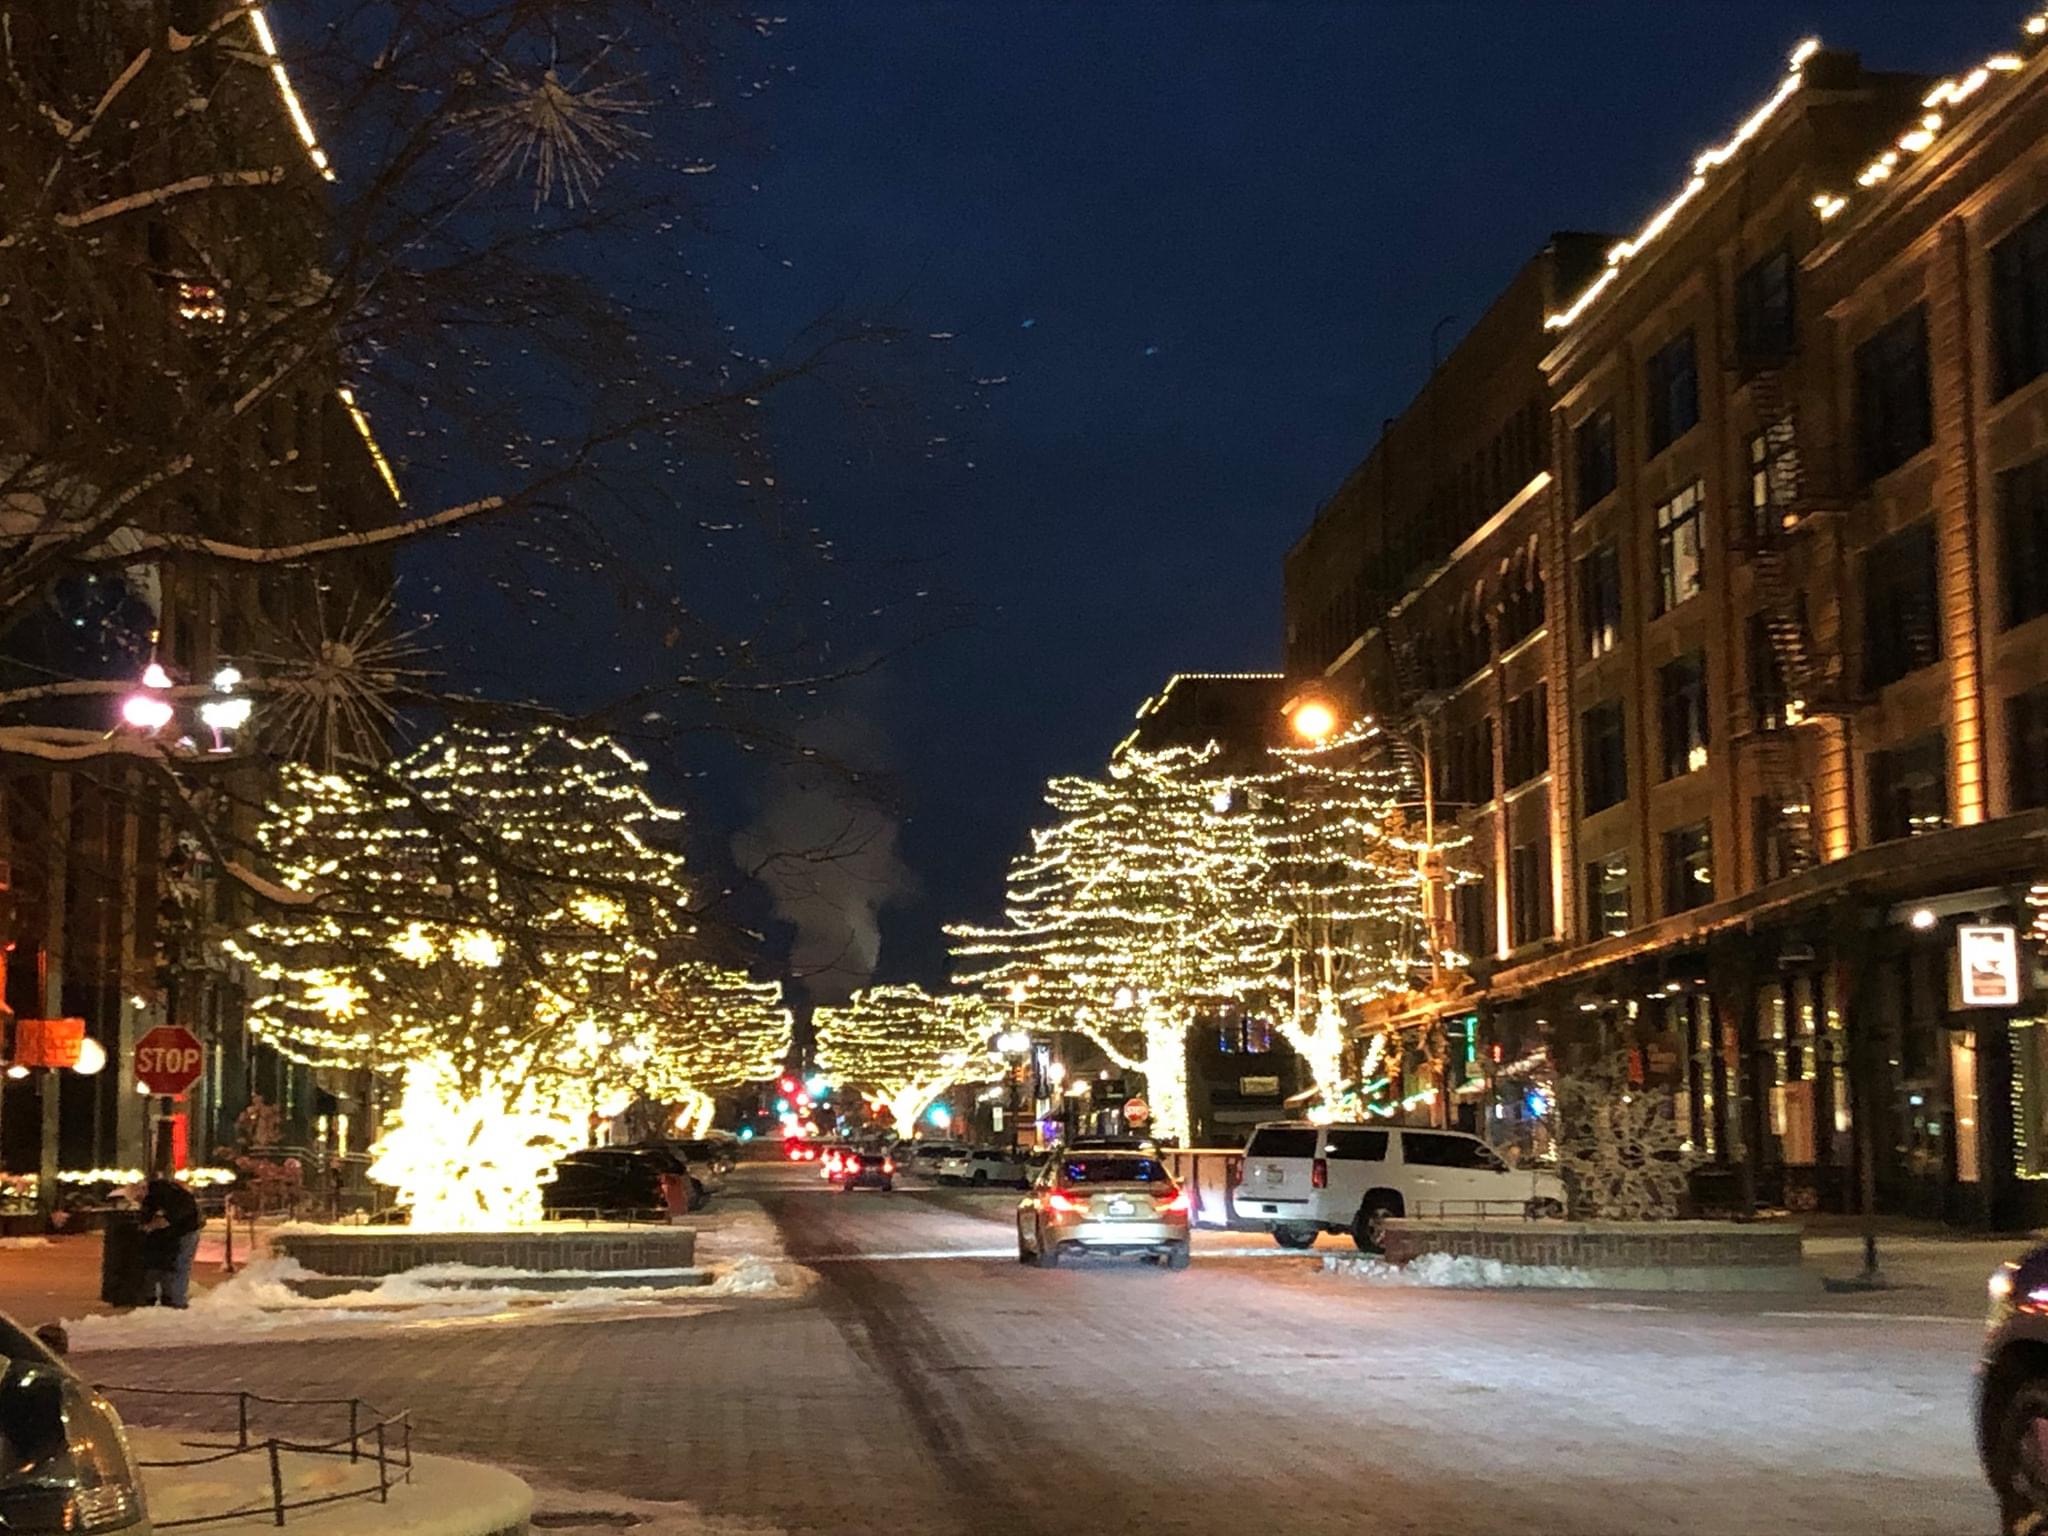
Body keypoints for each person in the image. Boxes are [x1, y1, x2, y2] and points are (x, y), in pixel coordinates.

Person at [138, 1178, 202, 1308]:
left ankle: (177, 1300)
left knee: (180, 1265)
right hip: (180, 1230)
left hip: (186, 1230)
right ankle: (174, 1298)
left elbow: (176, 1213)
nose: (137, 1201)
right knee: (175, 1265)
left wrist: (155, 1224)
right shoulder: (156, 1195)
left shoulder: (163, 1194)